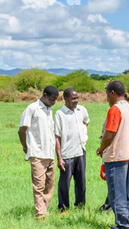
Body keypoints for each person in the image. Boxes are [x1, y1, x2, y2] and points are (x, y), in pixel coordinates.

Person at [96, 81, 129, 229]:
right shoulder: (128, 107)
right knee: (126, 192)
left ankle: (122, 225)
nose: (106, 97)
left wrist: (101, 149)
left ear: (112, 93)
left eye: (107, 93)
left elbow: (110, 134)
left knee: (116, 193)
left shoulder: (115, 109)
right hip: (127, 154)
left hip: (115, 156)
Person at [18, 86, 59, 219]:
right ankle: (40, 214)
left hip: (49, 153)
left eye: (56, 100)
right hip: (37, 153)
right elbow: (22, 130)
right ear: (45, 95)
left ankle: (44, 210)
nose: (54, 102)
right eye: (52, 99)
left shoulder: (49, 110)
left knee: (49, 185)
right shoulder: (32, 108)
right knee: (39, 186)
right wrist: (26, 147)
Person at [54, 88, 90, 214]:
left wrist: (82, 136)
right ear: (65, 99)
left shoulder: (82, 110)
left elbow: (86, 122)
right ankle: (63, 207)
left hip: (80, 151)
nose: (76, 101)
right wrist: (59, 158)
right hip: (66, 154)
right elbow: (57, 137)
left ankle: (80, 206)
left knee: (81, 182)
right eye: (73, 98)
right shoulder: (60, 114)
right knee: (65, 183)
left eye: (77, 98)